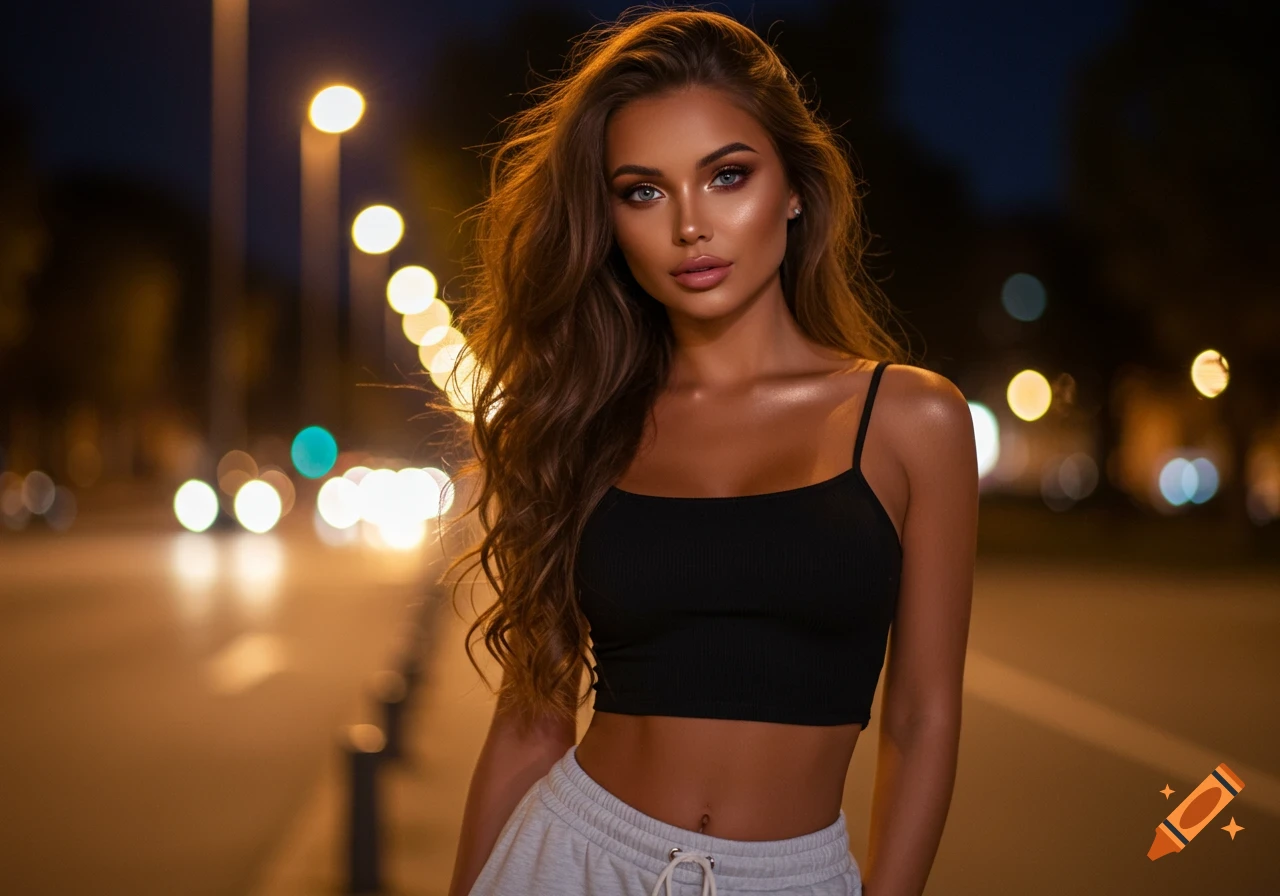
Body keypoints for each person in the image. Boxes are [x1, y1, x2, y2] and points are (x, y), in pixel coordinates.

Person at [440, 6, 978, 895]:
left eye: (726, 176)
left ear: (796, 188)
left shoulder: (910, 418)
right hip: (570, 857)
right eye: (643, 191)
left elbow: (922, 718)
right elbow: (531, 723)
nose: (690, 225)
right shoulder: (581, 421)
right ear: (608, 221)